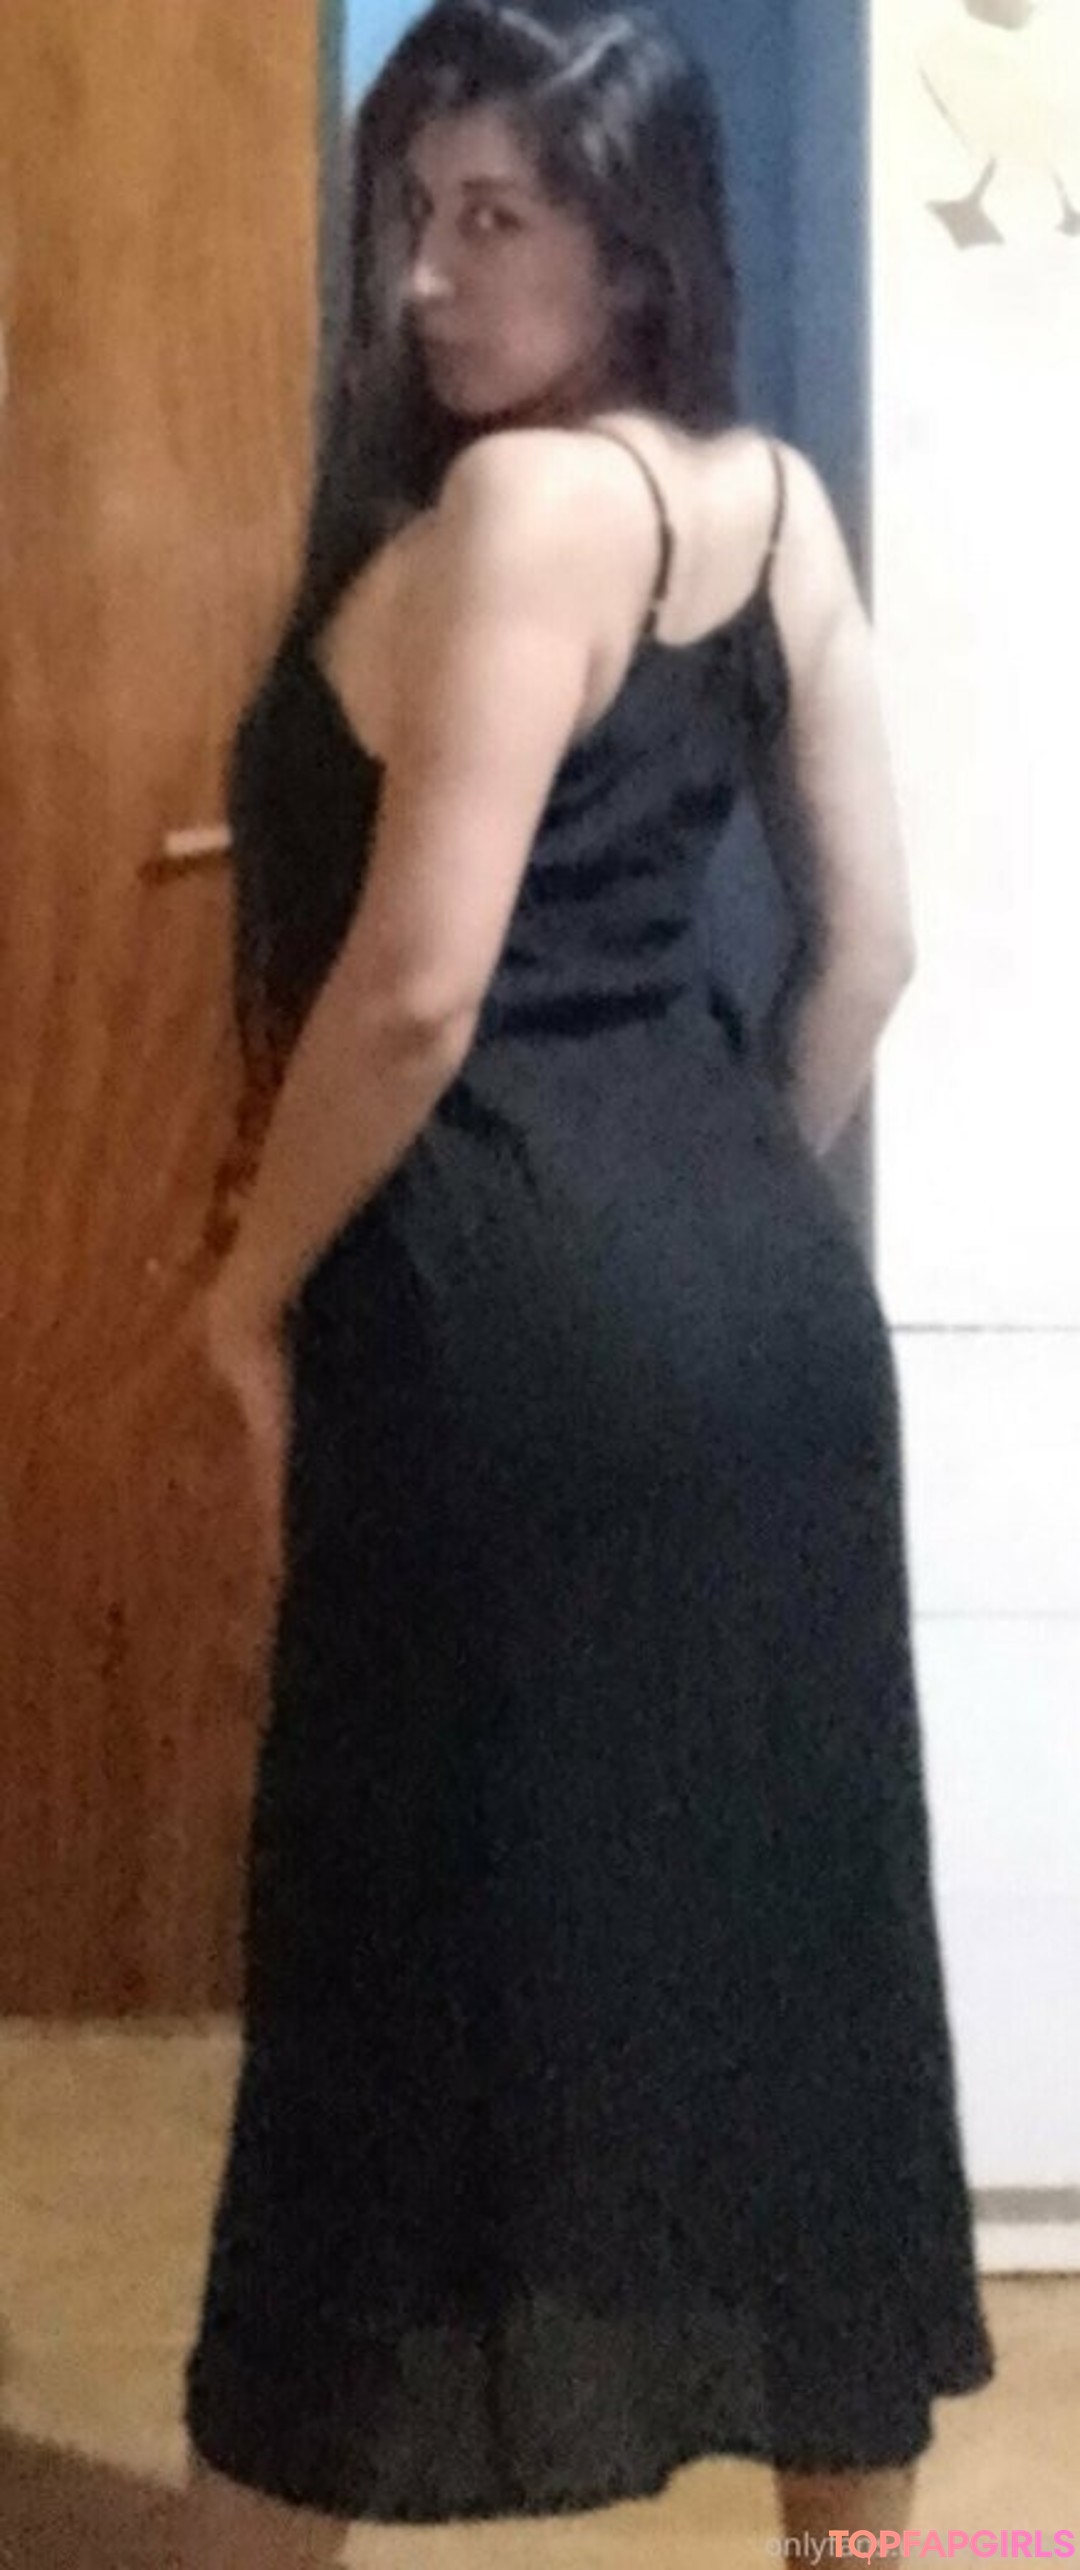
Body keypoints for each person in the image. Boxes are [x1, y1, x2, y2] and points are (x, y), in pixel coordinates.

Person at [179, 1, 996, 2559]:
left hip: (492, 1327)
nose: (426, 273)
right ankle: (848, 2536)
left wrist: (244, 1294)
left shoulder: (527, 503)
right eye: (410, 213)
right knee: (788, 1949)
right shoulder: (776, 506)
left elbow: (416, 991)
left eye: (492, 218)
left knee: (395, 1952)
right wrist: (711, 1193)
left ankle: (269, 2522)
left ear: (633, 248)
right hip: (765, 1314)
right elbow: (869, 949)